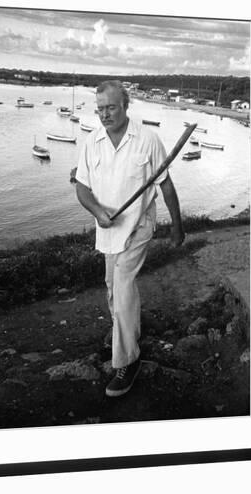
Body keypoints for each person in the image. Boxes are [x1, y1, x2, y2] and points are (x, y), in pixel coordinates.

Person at [75, 80, 185, 397]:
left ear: (125, 105)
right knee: (113, 287)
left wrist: (177, 225)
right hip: (108, 229)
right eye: (100, 109)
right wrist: (97, 211)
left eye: (111, 107)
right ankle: (128, 332)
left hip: (139, 224)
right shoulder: (91, 142)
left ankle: (127, 360)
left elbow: (165, 186)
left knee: (122, 284)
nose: (105, 114)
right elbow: (81, 188)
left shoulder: (148, 139)